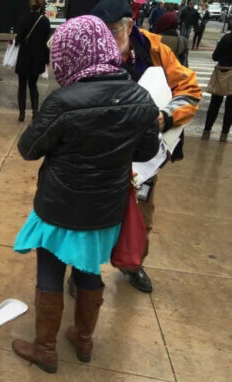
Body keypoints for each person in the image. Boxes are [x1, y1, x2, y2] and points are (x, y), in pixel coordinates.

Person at [11, 15, 160, 374]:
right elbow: (144, 151)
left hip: (59, 206)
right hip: (105, 211)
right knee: (88, 270)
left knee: (50, 271)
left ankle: (45, 348)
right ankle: (83, 338)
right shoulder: (140, 97)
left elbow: (28, 149)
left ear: (69, 54)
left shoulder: (63, 101)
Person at [88, 0, 201, 293]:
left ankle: (133, 264)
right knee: (89, 218)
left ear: (129, 25)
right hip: (99, 156)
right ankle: (84, 273)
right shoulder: (90, 50)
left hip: (145, 157)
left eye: (113, 31)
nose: (107, 41)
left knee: (141, 214)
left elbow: (189, 89)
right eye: (101, 32)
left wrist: (165, 117)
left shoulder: (155, 50)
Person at [14, 0, 51, 122]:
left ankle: (21, 114)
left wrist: (15, 41)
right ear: (41, 6)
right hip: (37, 58)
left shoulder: (23, 20)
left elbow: (18, 40)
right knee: (33, 85)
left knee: (22, 86)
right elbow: (46, 43)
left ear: (30, 6)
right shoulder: (45, 21)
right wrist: (46, 59)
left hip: (24, 58)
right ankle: (35, 113)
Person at [202, 32, 232, 142]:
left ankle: (207, 131)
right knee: (230, 107)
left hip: (222, 72)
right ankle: (224, 134)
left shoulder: (226, 38)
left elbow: (215, 56)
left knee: (214, 104)